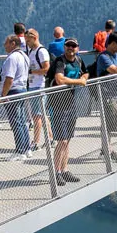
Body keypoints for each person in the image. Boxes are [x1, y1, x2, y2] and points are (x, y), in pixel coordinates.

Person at [48, 38, 88, 186]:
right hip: (58, 104)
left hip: (70, 103)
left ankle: (64, 170)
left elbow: (86, 73)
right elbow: (59, 79)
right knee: (62, 140)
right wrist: (79, 82)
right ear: (65, 47)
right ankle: (56, 172)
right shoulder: (60, 61)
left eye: (74, 46)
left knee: (68, 140)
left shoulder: (78, 59)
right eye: (68, 45)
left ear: (77, 48)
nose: (71, 48)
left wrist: (83, 77)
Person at [0, 33, 32, 159]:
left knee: (15, 122)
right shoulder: (24, 56)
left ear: (13, 43)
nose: (4, 45)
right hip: (22, 89)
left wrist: (3, 94)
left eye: (6, 43)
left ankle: (20, 151)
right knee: (22, 120)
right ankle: (27, 148)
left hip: (13, 91)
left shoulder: (12, 58)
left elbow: (9, 79)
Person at [25, 28, 51, 150]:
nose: (27, 43)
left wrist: (32, 71)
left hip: (38, 86)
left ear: (34, 37)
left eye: (28, 40)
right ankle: (50, 138)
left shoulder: (41, 51)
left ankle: (35, 142)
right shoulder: (31, 51)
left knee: (36, 116)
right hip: (33, 85)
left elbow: (46, 68)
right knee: (42, 114)